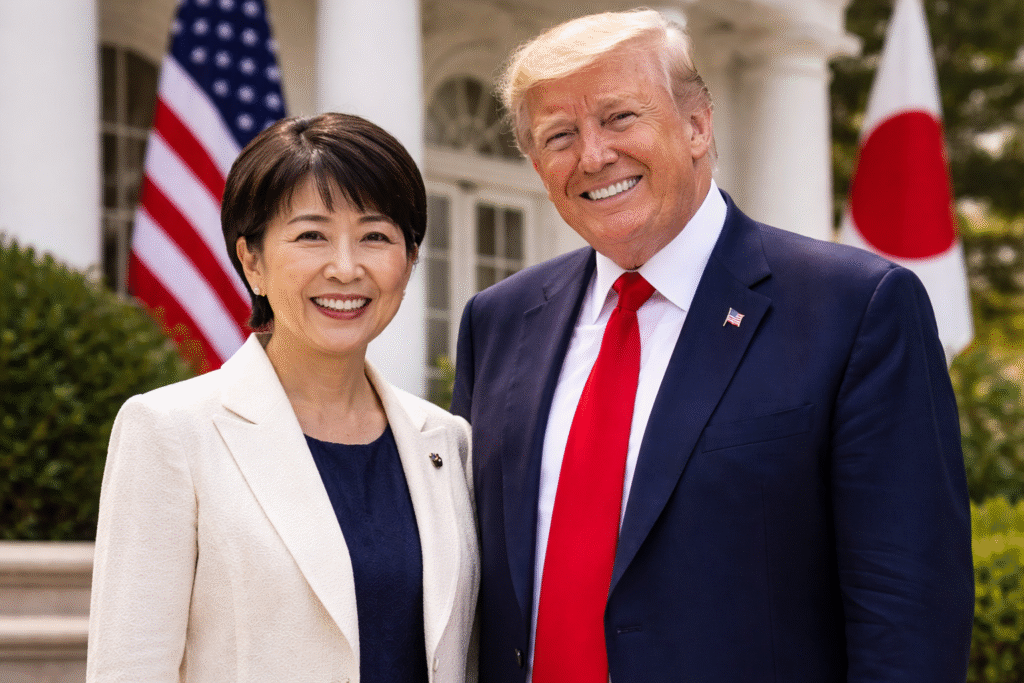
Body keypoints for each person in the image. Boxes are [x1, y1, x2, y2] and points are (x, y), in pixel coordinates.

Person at [451, 9, 972, 683]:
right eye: (559, 135)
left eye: (619, 117)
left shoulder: (855, 309)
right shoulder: (497, 322)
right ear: (536, 164)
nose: (593, 155)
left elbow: (907, 615)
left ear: (697, 125)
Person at [88, 112, 479, 683]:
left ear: (409, 262)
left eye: (375, 236)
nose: (345, 268)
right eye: (311, 235)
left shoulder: (446, 440)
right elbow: (131, 667)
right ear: (252, 261)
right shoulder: (171, 429)